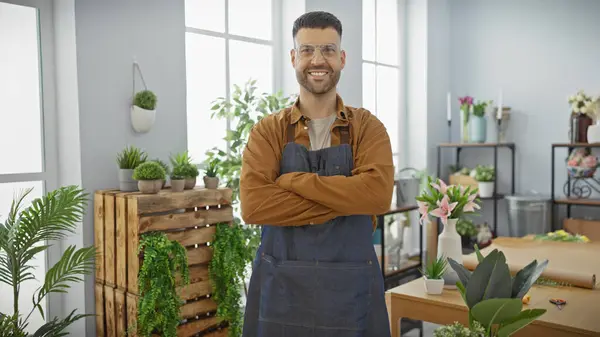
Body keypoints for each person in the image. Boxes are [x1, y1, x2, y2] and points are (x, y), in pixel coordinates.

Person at [240, 10, 394, 337]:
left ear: (342, 58)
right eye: (308, 50)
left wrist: (294, 182)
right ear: (294, 57)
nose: (317, 59)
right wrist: (349, 199)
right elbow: (254, 205)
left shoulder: (367, 128)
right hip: (279, 290)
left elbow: (378, 196)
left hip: (352, 292)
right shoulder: (268, 131)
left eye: (328, 49)